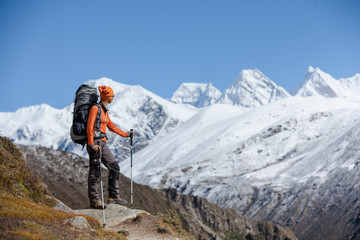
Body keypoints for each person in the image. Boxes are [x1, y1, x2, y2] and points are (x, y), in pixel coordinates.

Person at [86, 85, 133, 209]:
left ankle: (113, 196)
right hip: (95, 143)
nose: (113, 98)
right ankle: (94, 200)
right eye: (112, 96)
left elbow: (111, 126)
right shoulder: (95, 109)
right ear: (109, 97)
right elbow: (90, 127)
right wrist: (91, 144)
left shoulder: (104, 110)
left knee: (114, 167)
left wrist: (126, 134)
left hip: (102, 143)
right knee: (95, 171)